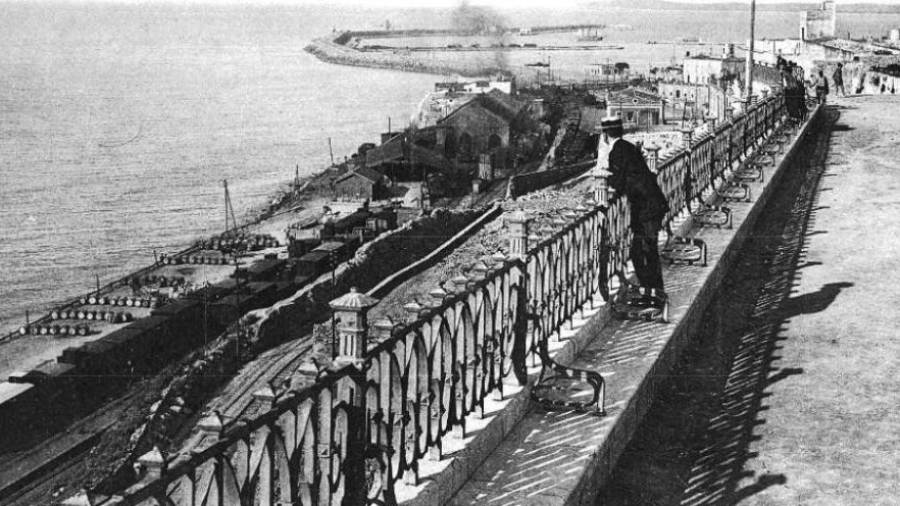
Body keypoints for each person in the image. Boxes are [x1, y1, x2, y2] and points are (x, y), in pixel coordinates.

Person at [601, 115, 669, 297]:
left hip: (646, 209)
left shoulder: (616, 151)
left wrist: (605, 180)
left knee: (642, 252)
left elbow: (617, 181)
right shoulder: (629, 147)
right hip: (654, 203)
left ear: (605, 135)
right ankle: (654, 290)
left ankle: (652, 292)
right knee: (647, 250)